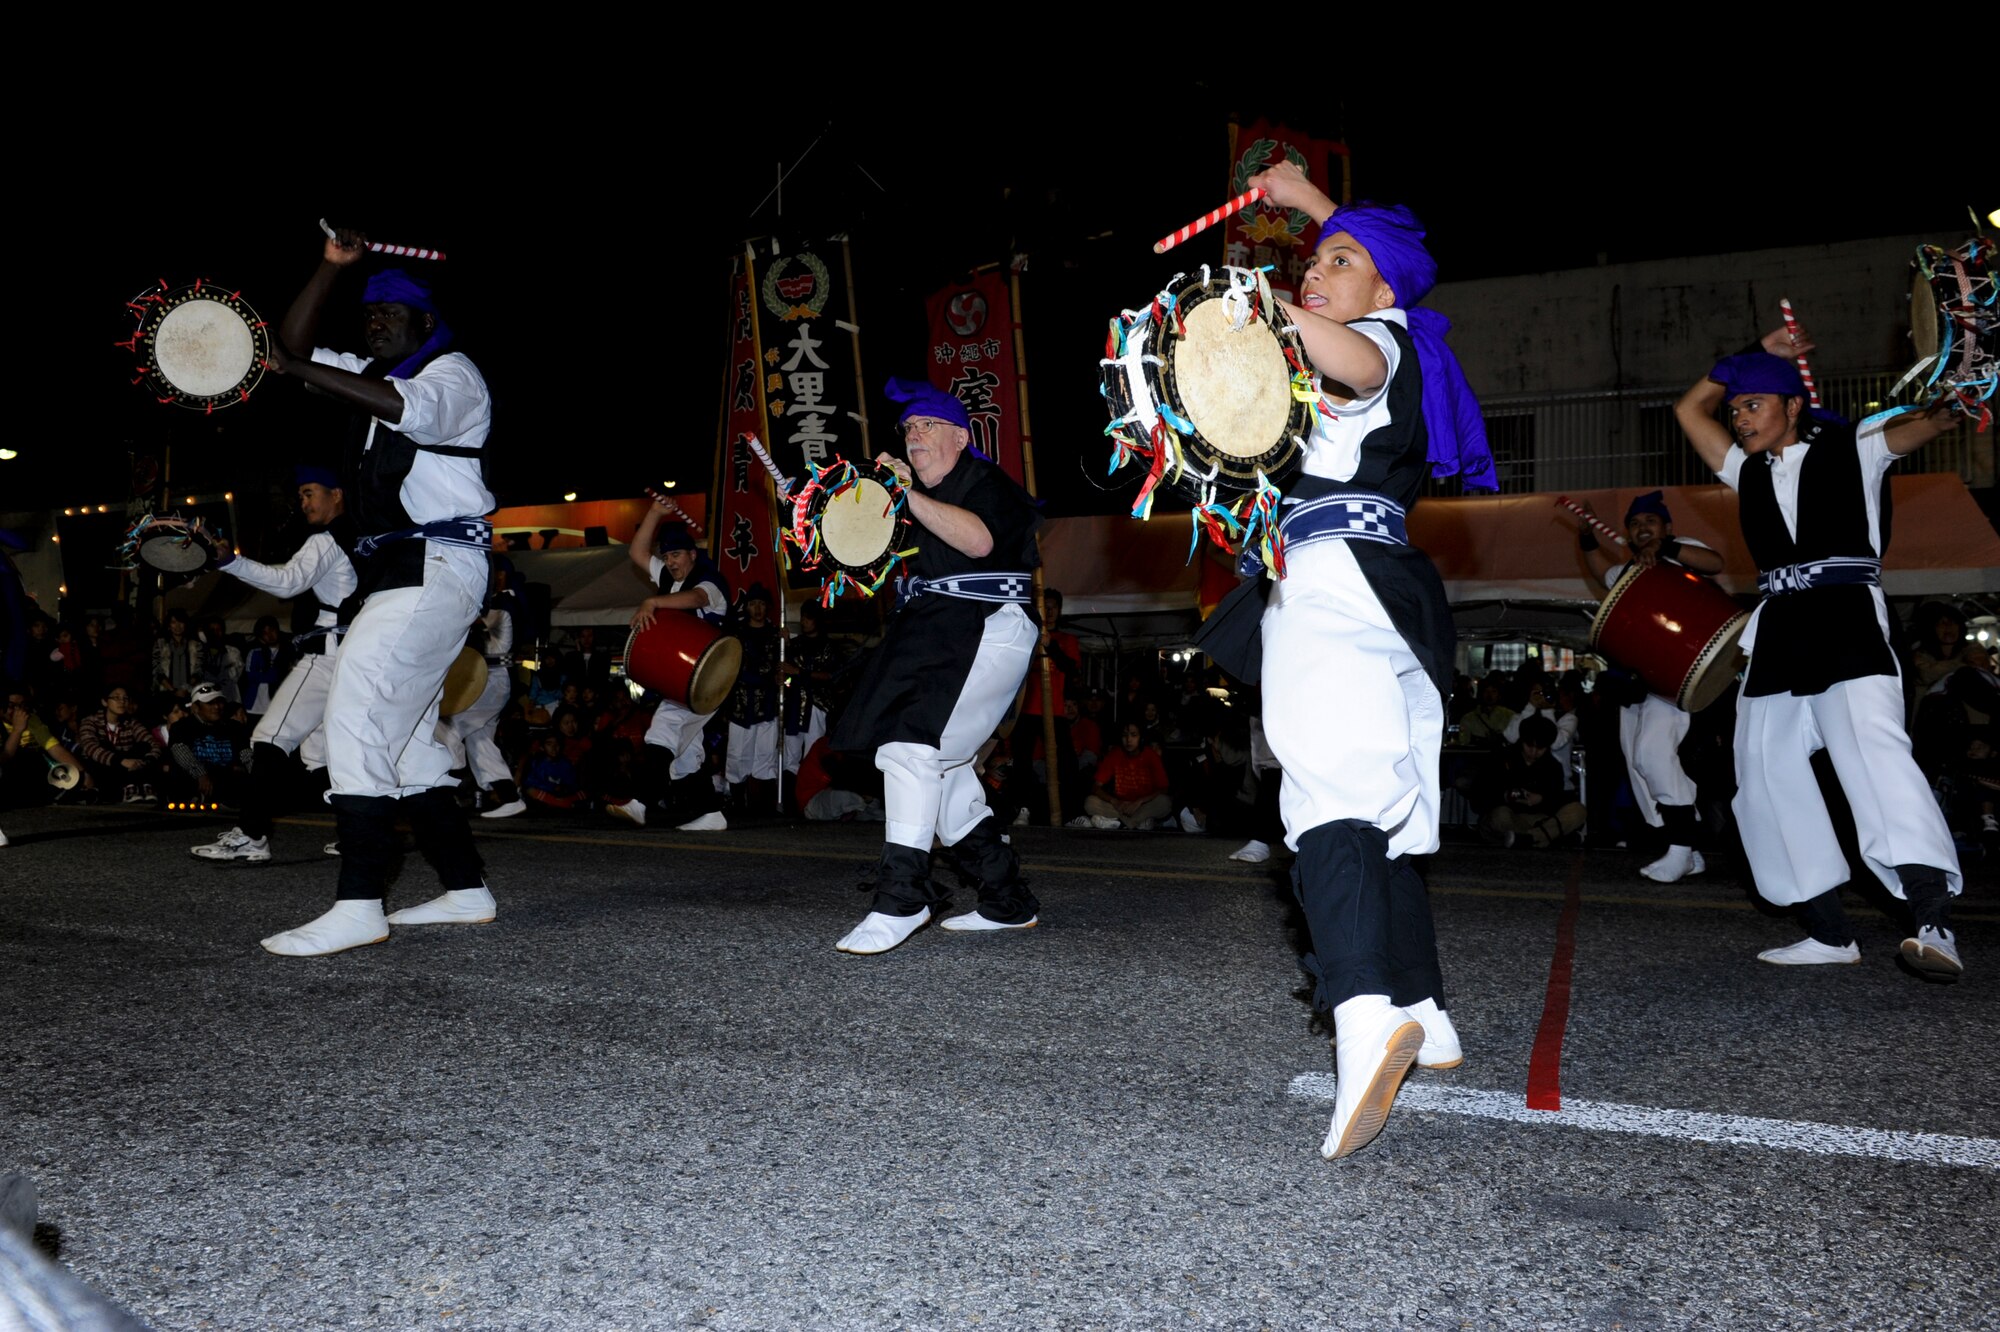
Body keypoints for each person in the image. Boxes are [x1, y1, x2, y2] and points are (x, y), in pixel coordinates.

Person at [1203, 160, 1496, 1159]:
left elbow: (1357, 347)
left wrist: (1256, 309)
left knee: (1323, 794)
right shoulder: (1387, 331)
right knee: (1388, 808)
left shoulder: (1372, 342)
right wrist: (1314, 218)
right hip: (1383, 586)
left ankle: (1363, 1011)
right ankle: (1424, 1007)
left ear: (1381, 292)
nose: (1313, 272)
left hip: (1333, 580)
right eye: (1311, 263)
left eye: (1337, 262)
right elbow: (1370, 273)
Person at [1672, 324, 1964, 976]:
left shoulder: (1854, 446)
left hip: (1846, 623)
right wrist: (1744, 358)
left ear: (1794, 405)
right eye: (1737, 409)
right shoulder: (1744, 472)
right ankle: (1830, 933)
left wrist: (1957, 397)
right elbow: (1688, 409)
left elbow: (1929, 423)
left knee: (1874, 762)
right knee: (1766, 775)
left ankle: (1932, 921)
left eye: (1753, 404)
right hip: (1777, 630)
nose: (1739, 417)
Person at [254, 231, 498, 956]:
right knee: (411, 740)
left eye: (392, 315)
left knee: (354, 710)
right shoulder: (370, 370)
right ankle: (464, 888)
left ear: (425, 324)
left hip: (438, 561)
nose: (377, 323)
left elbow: (401, 408)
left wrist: (304, 367)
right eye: (369, 316)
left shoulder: (454, 377)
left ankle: (361, 901)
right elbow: (282, 349)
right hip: (401, 571)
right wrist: (331, 270)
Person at [828, 378, 1043, 953]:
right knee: (943, 768)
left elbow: (977, 542)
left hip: (987, 623)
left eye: (927, 426)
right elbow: (860, 557)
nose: (914, 436)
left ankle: (903, 898)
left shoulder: (984, 481)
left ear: (960, 436)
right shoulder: (909, 504)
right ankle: (1006, 899)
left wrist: (902, 493)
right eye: (909, 429)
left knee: (909, 748)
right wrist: (831, 514)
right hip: (931, 630)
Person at [189, 465, 358, 864]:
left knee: (269, 738)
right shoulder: (363, 537)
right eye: (300, 495)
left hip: (326, 658)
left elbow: (288, 582)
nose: (303, 502)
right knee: (321, 757)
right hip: (357, 658)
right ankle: (361, 833)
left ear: (337, 494)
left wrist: (230, 561)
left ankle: (251, 836)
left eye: (310, 492)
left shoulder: (326, 540)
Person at [1576, 491, 1724, 881]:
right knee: (1640, 765)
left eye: (1651, 522)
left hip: (1677, 674)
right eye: (1636, 524)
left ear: (1667, 527)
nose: (1643, 528)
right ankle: (1687, 848)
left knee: (1653, 755)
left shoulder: (1681, 551)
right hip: (1638, 683)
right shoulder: (1627, 573)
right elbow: (1598, 571)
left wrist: (1665, 548)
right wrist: (1587, 534)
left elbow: (1715, 563)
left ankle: (1681, 846)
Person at [604, 504, 730, 832]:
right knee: (686, 752)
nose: (670, 562)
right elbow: (636, 551)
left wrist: (653, 602)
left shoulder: (709, 579)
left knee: (662, 729)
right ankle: (711, 811)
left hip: (710, 677)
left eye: (676, 555)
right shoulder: (668, 579)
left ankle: (641, 803)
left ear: (692, 554)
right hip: (685, 681)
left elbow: (699, 599)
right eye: (667, 556)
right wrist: (655, 514)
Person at [458, 555, 527, 819]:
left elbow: (473, 622)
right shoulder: (501, 601)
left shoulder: (504, 603)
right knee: (478, 738)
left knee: (452, 726)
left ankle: (437, 791)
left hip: (495, 678)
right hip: (490, 676)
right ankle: (508, 795)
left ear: (500, 575)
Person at [1479, 714, 1588, 848]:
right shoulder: (1501, 758)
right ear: (1522, 741)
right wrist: (1506, 796)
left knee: (1578, 810)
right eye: (1529, 746)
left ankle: (1529, 839)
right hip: (1510, 816)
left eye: (1540, 748)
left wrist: (1541, 799)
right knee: (1500, 816)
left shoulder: (1553, 766)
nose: (1534, 752)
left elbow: (1557, 798)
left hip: (1540, 819)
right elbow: (1480, 795)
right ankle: (1547, 838)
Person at [724, 583, 781, 811]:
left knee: (766, 755)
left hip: (767, 705)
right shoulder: (736, 635)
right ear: (746, 607)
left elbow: (783, 669)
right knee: (738, 755)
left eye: (762, 604)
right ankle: (738, 803)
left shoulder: (777, 635)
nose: (758, 609)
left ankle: (764, 806)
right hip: (741, 705)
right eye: (753, 604)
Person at [167, 682, 252, 806]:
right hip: (194, 778)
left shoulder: (234, 727)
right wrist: (201, 773)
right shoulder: (181, 727)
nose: (217, 707)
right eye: (210, 703)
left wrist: (257, 775)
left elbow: (247, 755)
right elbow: (181, 752)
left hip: (225, 778)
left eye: (220, 702)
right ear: (195, 707)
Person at [1083, 722, 1173, 829]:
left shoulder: (1151, 755)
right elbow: (1096, 787)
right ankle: (1138, 823)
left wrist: (1140, 801)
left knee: (1165, 802)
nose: (1128, 740)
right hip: (1120, 806)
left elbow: (1164, 789)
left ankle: (1119, 822)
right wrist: (1114, 801)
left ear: (1141, 737)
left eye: (1133, 735)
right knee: (1090, 802)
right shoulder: (1115, 754)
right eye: (1125, 735)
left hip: (1143, 805)